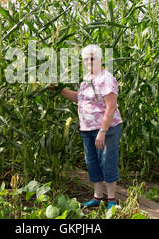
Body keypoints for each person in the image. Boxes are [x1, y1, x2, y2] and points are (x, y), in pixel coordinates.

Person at [51, 44, 123, 210]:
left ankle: (111, 199)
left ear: (100, 60)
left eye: (92, 58)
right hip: (87, 128)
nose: (89, 62)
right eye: (86, 59)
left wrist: (103, 131)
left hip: (106, 128)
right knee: (92, 162)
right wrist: (59, 89)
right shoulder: (87, 78)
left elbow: (111, 107)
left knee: (107, 161)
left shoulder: (106, 79)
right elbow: (79, 98)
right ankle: (97, 197)